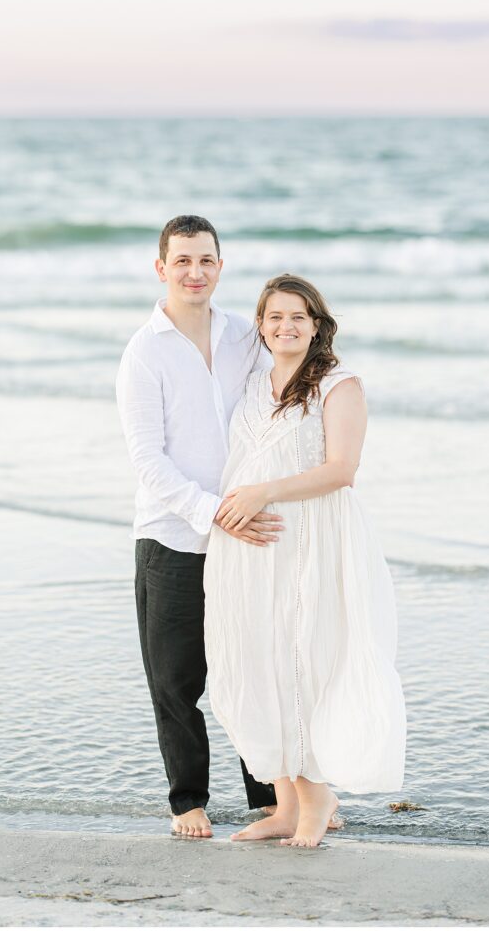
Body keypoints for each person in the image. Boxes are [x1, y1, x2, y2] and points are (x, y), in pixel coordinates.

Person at [204, 273, 407, 848]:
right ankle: (285, 803)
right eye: (274, 318)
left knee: (308, 657)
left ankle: (318, 795)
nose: (285, 326)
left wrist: (262, 494)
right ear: (261, 328)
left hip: (313, 539)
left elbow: (342, 470)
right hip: (251, 546)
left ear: (317, 325)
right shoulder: (253, 384)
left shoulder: (338, 385)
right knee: (260, 659)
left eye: (297, 316)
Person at [115, 215, 285, 839]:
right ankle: (188, 800)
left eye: (206, 260)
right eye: (182, 260)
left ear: (220, 265)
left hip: (247, 534)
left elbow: (287, 392)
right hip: (173, 537)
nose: (194, 272)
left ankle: (270, 798)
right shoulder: (145, 351)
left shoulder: (246, 336)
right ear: (161, 267)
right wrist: (215, 512)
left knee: (251, 669)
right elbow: (147, 460)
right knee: (176, 680)